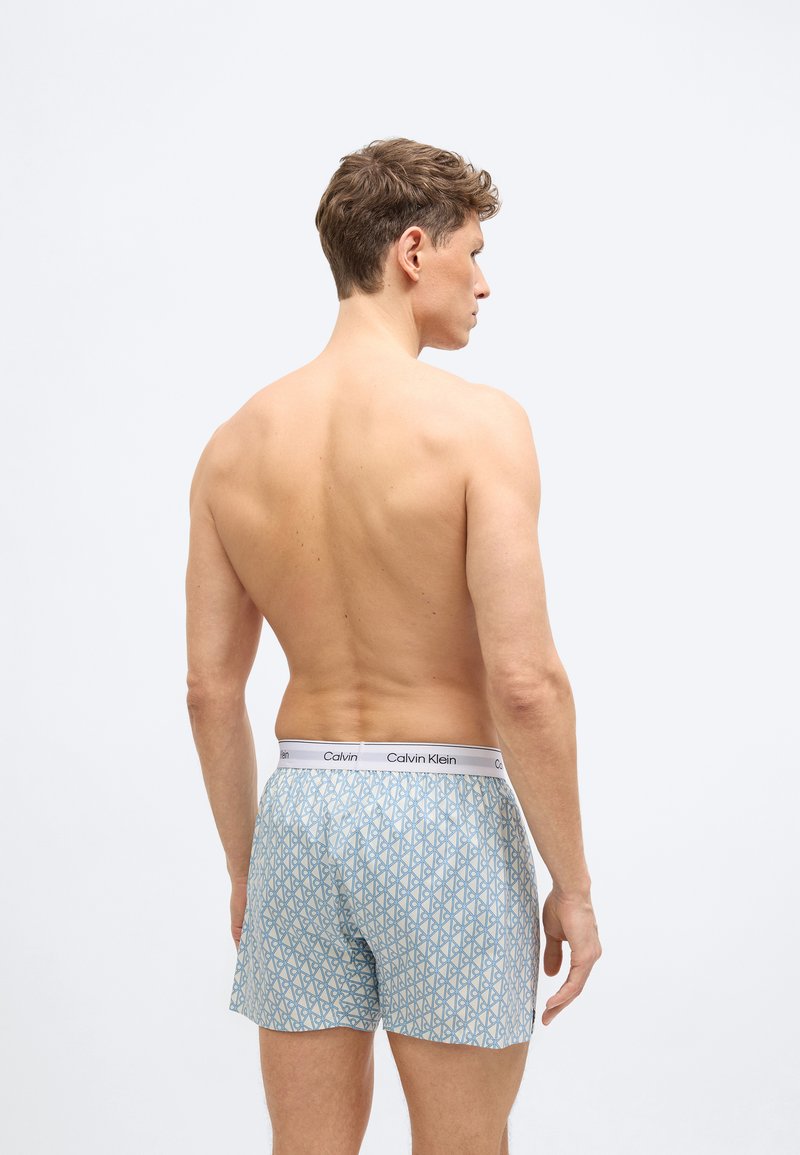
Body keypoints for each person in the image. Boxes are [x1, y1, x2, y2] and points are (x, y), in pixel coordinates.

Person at [185, 136, 601, 1155]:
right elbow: (524, 682)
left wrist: (246, 866)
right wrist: (573, 883)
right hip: (443, 815)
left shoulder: (233, 445)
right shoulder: (478, 427)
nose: (484, 283)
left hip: (299, 816)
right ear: (413, 251)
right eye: (474, 252)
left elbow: (208, 690)